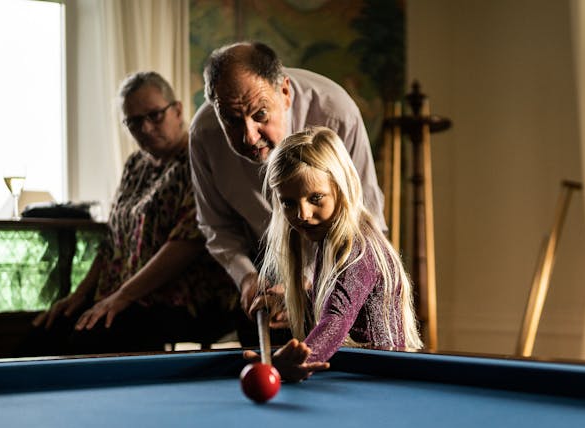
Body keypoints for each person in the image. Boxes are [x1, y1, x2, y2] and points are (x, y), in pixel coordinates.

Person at [26, 71, 236, 355]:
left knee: (87, 340)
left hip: (177, 300)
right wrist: (78, 296)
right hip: (124, 296)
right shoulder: (136, 164)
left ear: (177, 110)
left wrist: (122, 297)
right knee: (43, 332)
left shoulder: (198, 158)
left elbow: (186, 243)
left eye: (154, 115)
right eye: (134, 122)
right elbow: (112, 243)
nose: (146, 128)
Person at [189, 41, 386, 343]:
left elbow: (364, 216)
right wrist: (247, 279)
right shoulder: (203, 134)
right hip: (262, 268)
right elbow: (217, 227)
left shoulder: (335, 112)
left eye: (260, 115)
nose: (248, 136)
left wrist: (306, 280)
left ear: (284, 91)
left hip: (340, 263)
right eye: (230, 119)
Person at [243, 127, 421, 382]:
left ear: (341, 188)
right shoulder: (329, 241)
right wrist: (286, 302)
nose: (302, 214)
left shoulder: (357, 248)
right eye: (289, 203)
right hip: (357, 378)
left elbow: (336, 318)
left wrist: (291, 364)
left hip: (381, 382)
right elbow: (338, 297)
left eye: (316, 198)